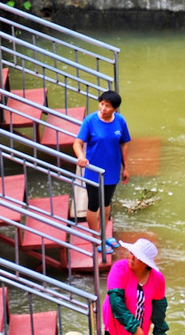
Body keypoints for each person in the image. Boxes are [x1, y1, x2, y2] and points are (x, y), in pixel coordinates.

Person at [73, 90, 131, 253]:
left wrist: (125, 167)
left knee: (106, 203)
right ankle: (96, 239)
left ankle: (104, 235)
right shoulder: (90, 121)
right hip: (94, 170)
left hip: (112, 169)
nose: (103, 108)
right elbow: (77, 143)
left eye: (107, 106)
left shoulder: (120, 121)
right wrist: (81, 156)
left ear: (115, 109)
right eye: (102, 104)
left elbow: (124, 144)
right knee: (93, 204)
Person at [103, 238, 168, 335]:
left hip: (142, 328)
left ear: (146, 263)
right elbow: (116, 302)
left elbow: (159, 310)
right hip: (116, 327)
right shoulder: (119, 268)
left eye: (137, 256)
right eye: (131, 253)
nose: (131, 258)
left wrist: (160, 332)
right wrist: (134, 328)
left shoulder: (157, 279)